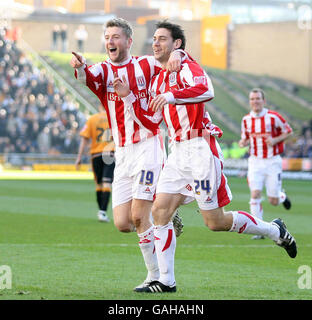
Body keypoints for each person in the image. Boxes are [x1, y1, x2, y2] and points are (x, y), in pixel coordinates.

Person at [114, 21, 297, 293]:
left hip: (200, 149)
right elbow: (151, 119)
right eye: (154, 38)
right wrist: (128, 98)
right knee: (160, 210)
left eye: (162, 39)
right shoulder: (158, 80)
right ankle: (165, 280)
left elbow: (206, 91)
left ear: (177, 44)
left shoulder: (187, 67)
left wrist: (172, 93)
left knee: (215, 222)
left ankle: (274, 230)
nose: (155, 43)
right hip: (177, 151)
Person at [70, 18, 184, 290]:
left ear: (129, 42)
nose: (111, 41)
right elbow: (88, 73)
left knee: (138, 216)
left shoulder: (145, 64)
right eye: (108, 36)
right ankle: (165, 209)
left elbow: (171, 58)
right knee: (123, 223)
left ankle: (156, 277)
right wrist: (80, 64)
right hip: (121, 151)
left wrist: (178, 53)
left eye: (117, 36)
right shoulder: (103, 70)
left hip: (148, 144)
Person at [238, 88, 293, 240]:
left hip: (272, 161)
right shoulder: (246, 120)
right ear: (250, 102)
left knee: (273, 201)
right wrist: (243, 142)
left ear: (264, 101)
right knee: (255, 194)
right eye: (252, 99)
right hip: (255, 161)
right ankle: (259, 230)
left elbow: (289, 131)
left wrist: (275, 140)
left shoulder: (273, 117)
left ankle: (281, 196)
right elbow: (246, 138)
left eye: (257, 99)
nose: (255, 101)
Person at [75, 105, 115, 222]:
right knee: (107, 183)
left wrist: (79, 157)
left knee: (99, 184)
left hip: (96, 154)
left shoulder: (92, 119)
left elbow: (84, 139)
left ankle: (101, 212)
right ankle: (102, 212)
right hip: (110, 153)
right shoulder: (112, 118)